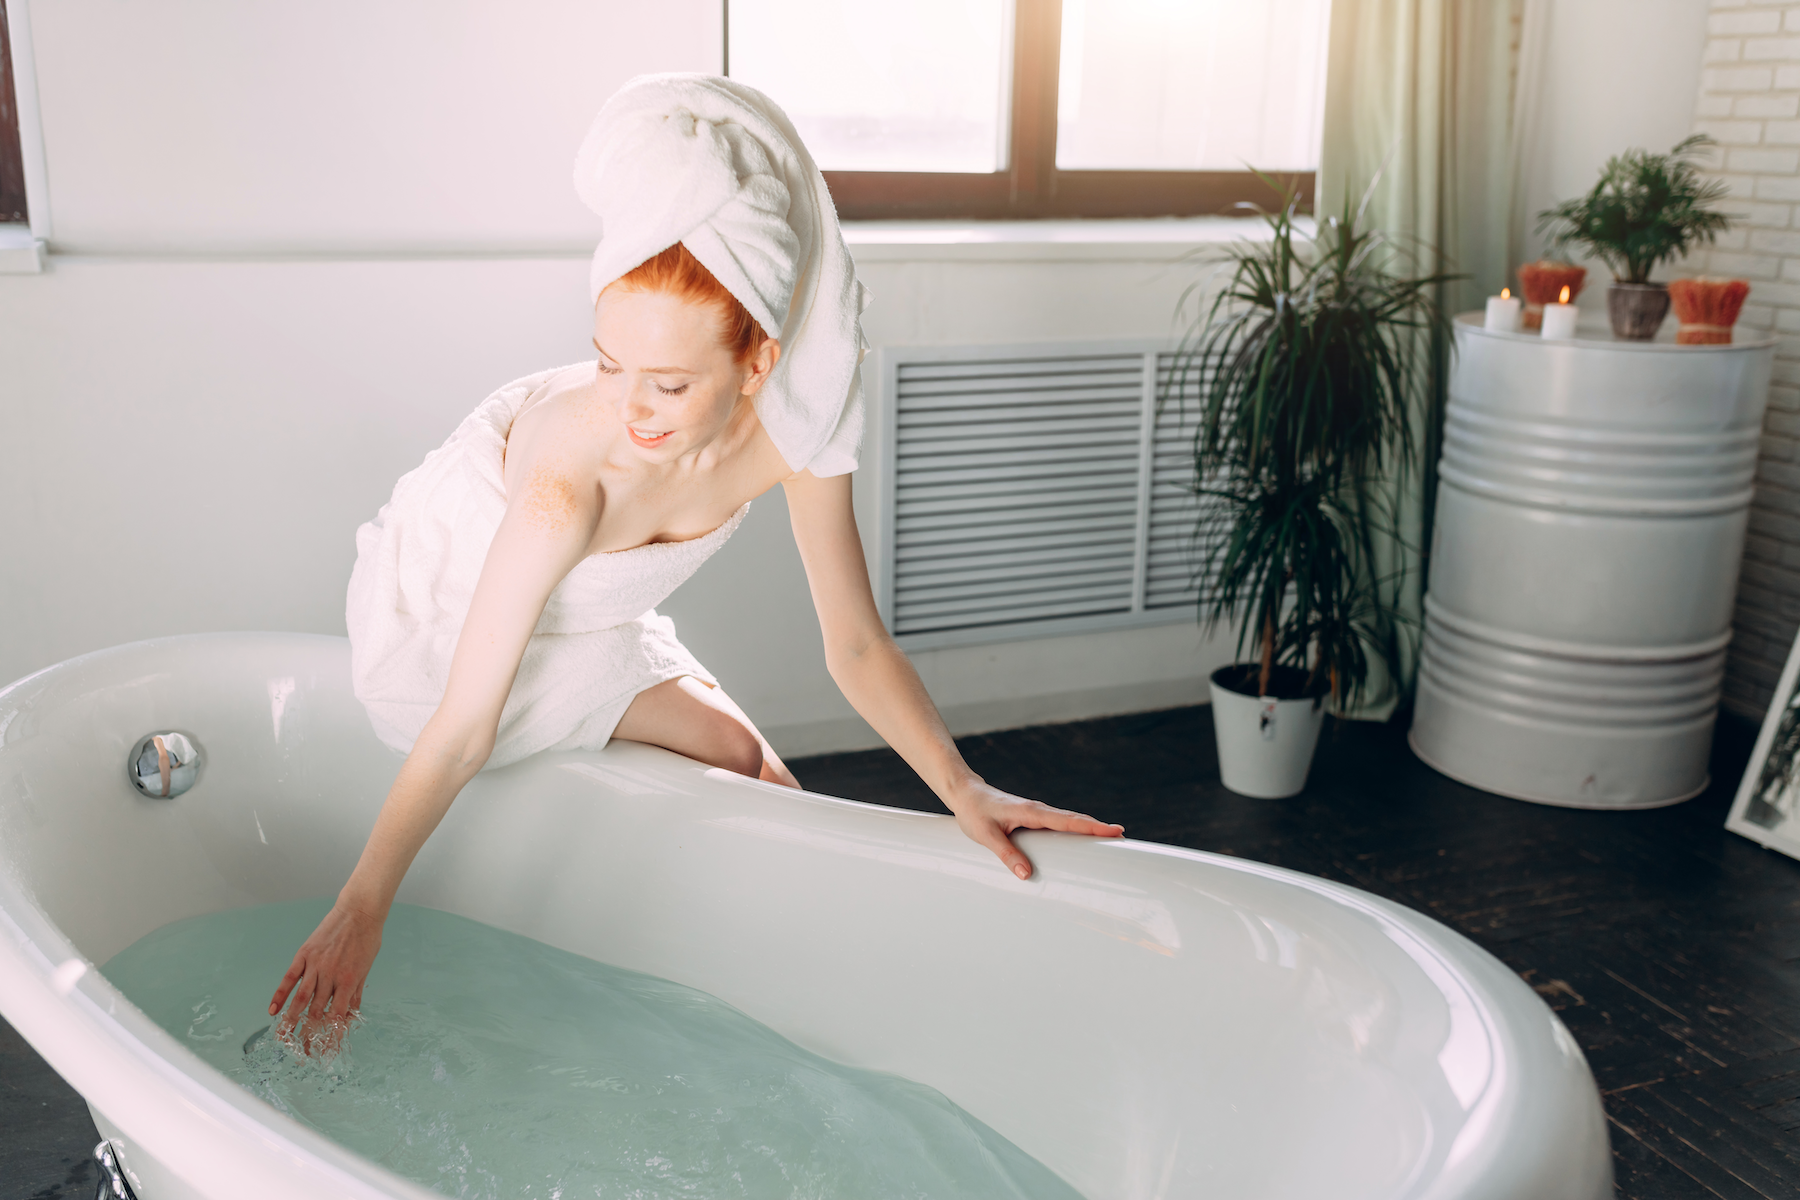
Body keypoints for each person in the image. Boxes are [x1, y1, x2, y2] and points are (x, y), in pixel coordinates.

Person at [269, 75, 1123, 1051]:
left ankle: (843, 1012)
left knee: (779, 789)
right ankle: (761, 1012)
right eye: (607, 363)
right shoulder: (568, 482)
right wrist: (363, 906)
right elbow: (463, 726)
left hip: (585, 611)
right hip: (446, 641)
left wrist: (964, 790)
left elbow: (853, 644)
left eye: (669, 385)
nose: (633, 412)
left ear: (756, 366)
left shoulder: (798, 420)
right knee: (731, 758)